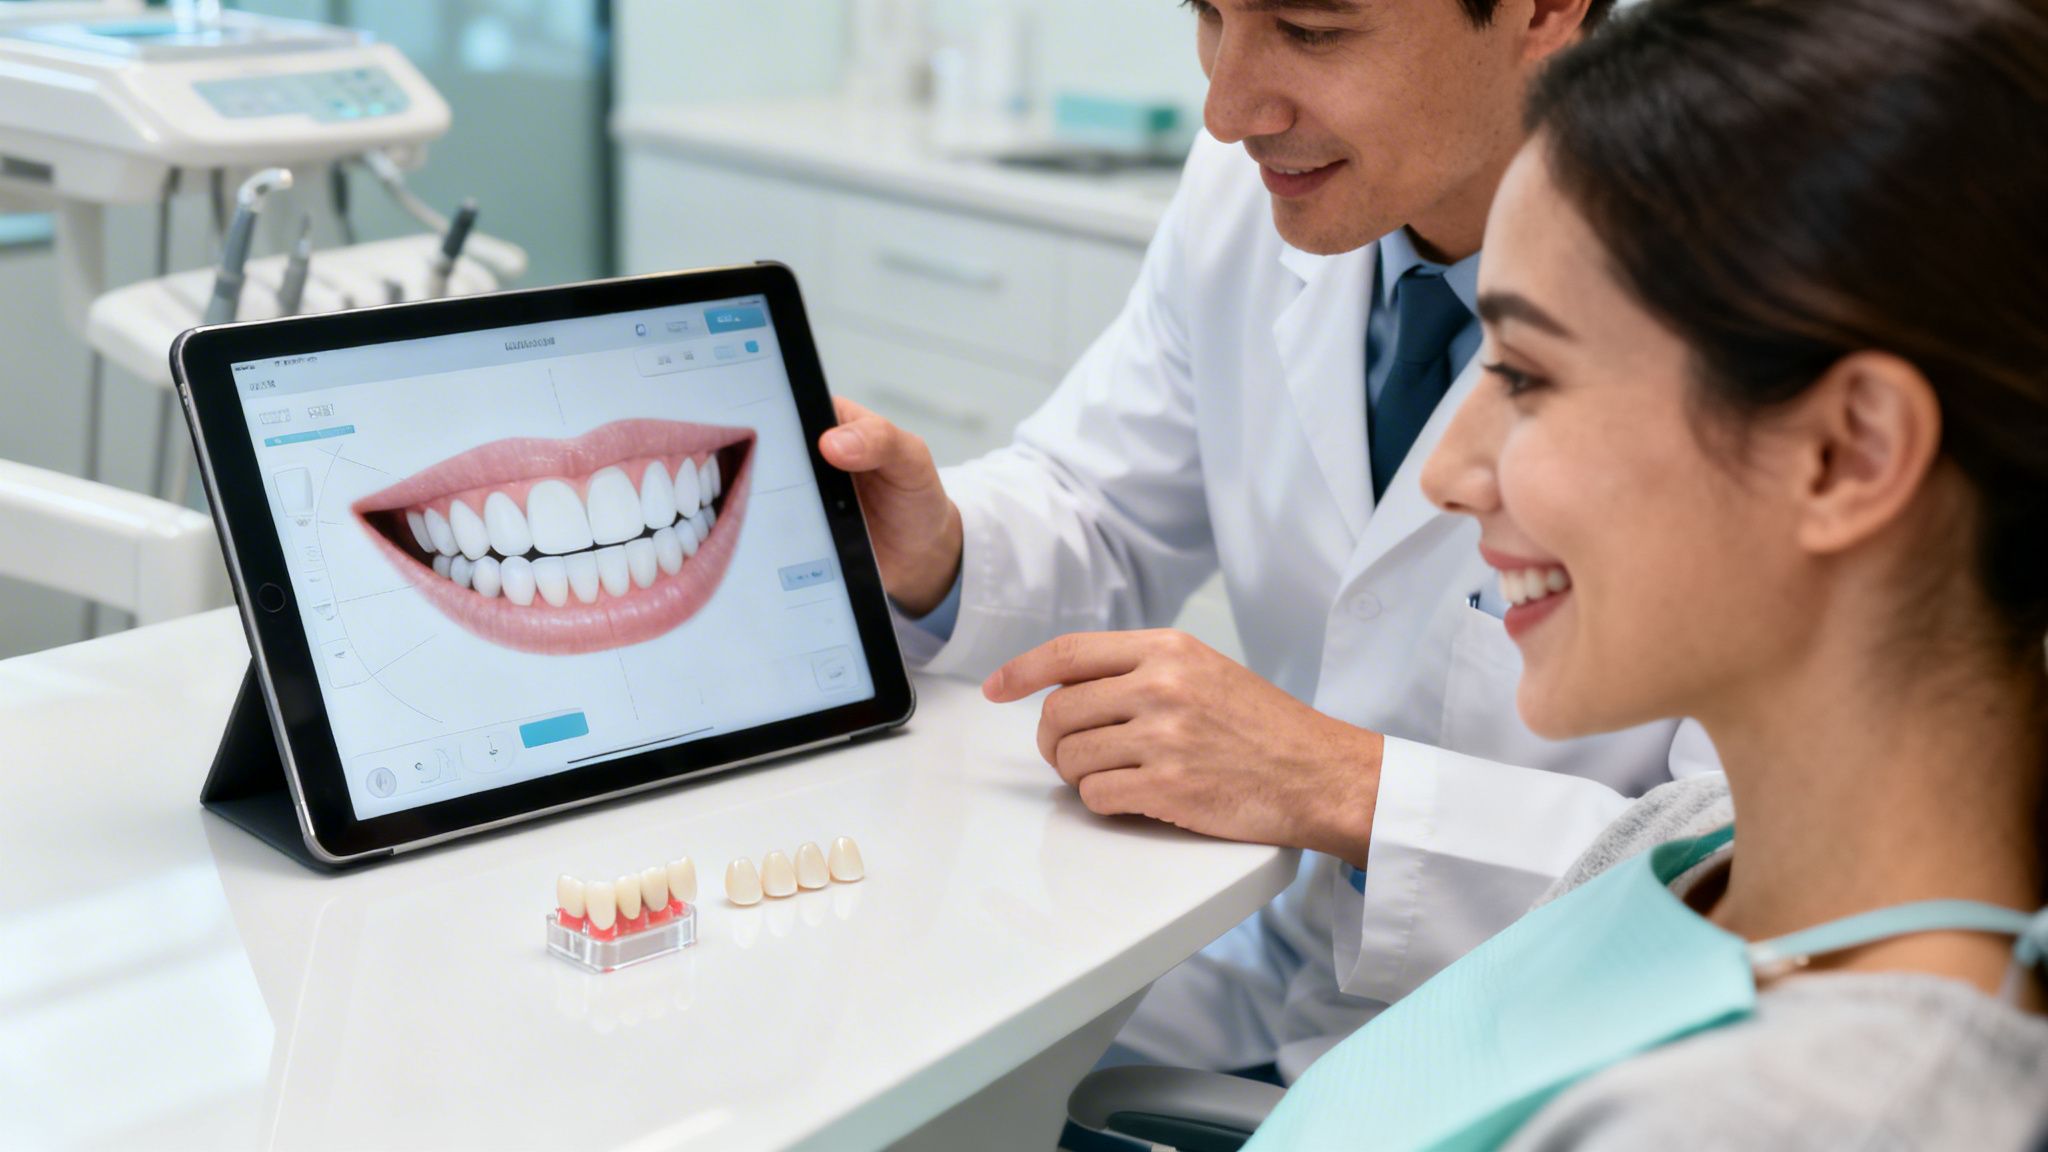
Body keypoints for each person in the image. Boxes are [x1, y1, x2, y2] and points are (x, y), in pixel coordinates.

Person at [818, 0, 1719, 1078]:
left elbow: (1767, 873)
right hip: (1266, 971)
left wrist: (1341, 785)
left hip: (1564, 1050)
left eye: (1309, 30)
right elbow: (1102, 503)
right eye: (1208, 14)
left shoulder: (1754, 291)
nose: (1225, 110)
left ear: (1538, 10)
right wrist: (940, 552)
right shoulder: (1262, 195)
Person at [1241, 0, 2048, 1145]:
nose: (1450, 472)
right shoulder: (1691, 848)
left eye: (1524, 374)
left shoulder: (1810, 1117)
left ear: (1843, 454)